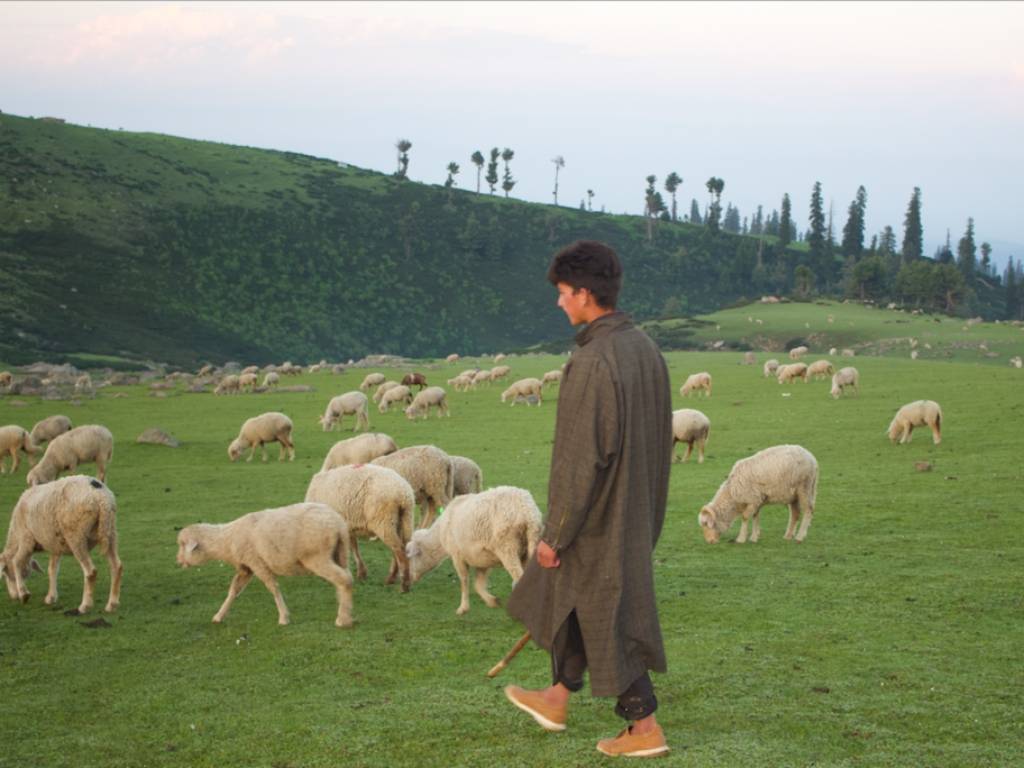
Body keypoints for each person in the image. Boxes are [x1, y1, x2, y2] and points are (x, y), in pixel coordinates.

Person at [504, 240, 674, 758]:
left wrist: (555, 534)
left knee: (606, 610)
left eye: (562, 293)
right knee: (582, 603)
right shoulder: (645, 348)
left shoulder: (593, 360)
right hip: (637, 509)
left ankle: (644, 728)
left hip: (599, 515)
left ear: (584, 293)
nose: (559, 303)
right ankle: (557, 696)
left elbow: (581, 459)